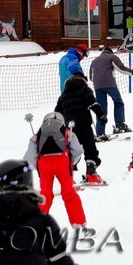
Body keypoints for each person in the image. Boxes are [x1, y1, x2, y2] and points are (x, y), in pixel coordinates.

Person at [26, 112, 86, 227]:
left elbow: (29, 158)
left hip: (44, 163)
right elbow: (78, 151)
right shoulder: (68, 131)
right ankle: (79, 223)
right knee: (69, 193)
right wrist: (71, 162)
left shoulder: (37, 134)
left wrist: (38, 166)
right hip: (62, 161)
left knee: (45, 194)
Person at [55, 55, 103, 183]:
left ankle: (68, 177)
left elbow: (57, 112)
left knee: (71, 151)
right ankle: (91, 172)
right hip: (84, 125)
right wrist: (101, 116)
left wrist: (56, 126)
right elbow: (93, 104)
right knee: (89, 147)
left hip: (70, 128)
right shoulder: (83, 88)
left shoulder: (64, 94)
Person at [89, 38, 133, 137]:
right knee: (118, 102)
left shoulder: (94, 61)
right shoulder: (111, 57)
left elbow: (91, 77)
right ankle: (119, 125)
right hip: (109, 84)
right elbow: (121, 69)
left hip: (97, 86)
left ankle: (100, 132)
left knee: (101, 109)